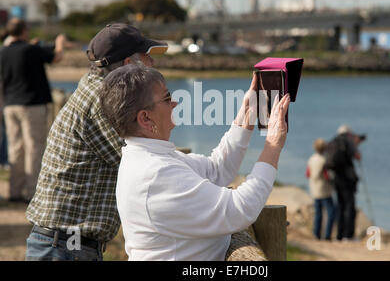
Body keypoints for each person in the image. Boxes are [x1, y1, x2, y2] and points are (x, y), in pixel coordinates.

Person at [99, 64, 290, 260]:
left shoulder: (148, 158)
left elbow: (217, 170)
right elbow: (240, 210)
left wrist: (246, 115)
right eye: (166, 98)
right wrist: (273, 145)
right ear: (146, 119)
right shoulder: (156, 174)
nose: (174, 103)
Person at [25, 23, 168, 261]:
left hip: (65, 245)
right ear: (127, 65)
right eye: (146, 58)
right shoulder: (102, 100)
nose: (152, 64)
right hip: (65, 247)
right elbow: (145, 162)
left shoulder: (97, 89)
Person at [0, 18, 66, 203]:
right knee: (34, 148)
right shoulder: (31, 50)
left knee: (15, 148)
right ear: (24, 31)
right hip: (32, 105)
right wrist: (60, 44)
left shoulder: (3, 51)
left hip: (10, 105)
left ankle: (14, 191)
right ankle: (32, 192)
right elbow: (56, 57)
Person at [325, 124, 364, 241]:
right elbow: (357, 156)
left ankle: (339, 235)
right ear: (348, 133)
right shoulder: (348, 142)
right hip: (348, 178)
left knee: (340, 206)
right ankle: (348, 235)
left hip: (337, 178)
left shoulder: (332, 142)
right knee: (349, 206)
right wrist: (356, 145)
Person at [306, 138, 335, 240]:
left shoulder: (311, 159)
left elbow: (308, 174)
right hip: (324, 190)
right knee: (331, 212)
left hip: (314, 189)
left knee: (318, 213)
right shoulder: (324, 160)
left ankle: (316, 234)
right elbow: (327, 176)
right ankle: (327, 235)